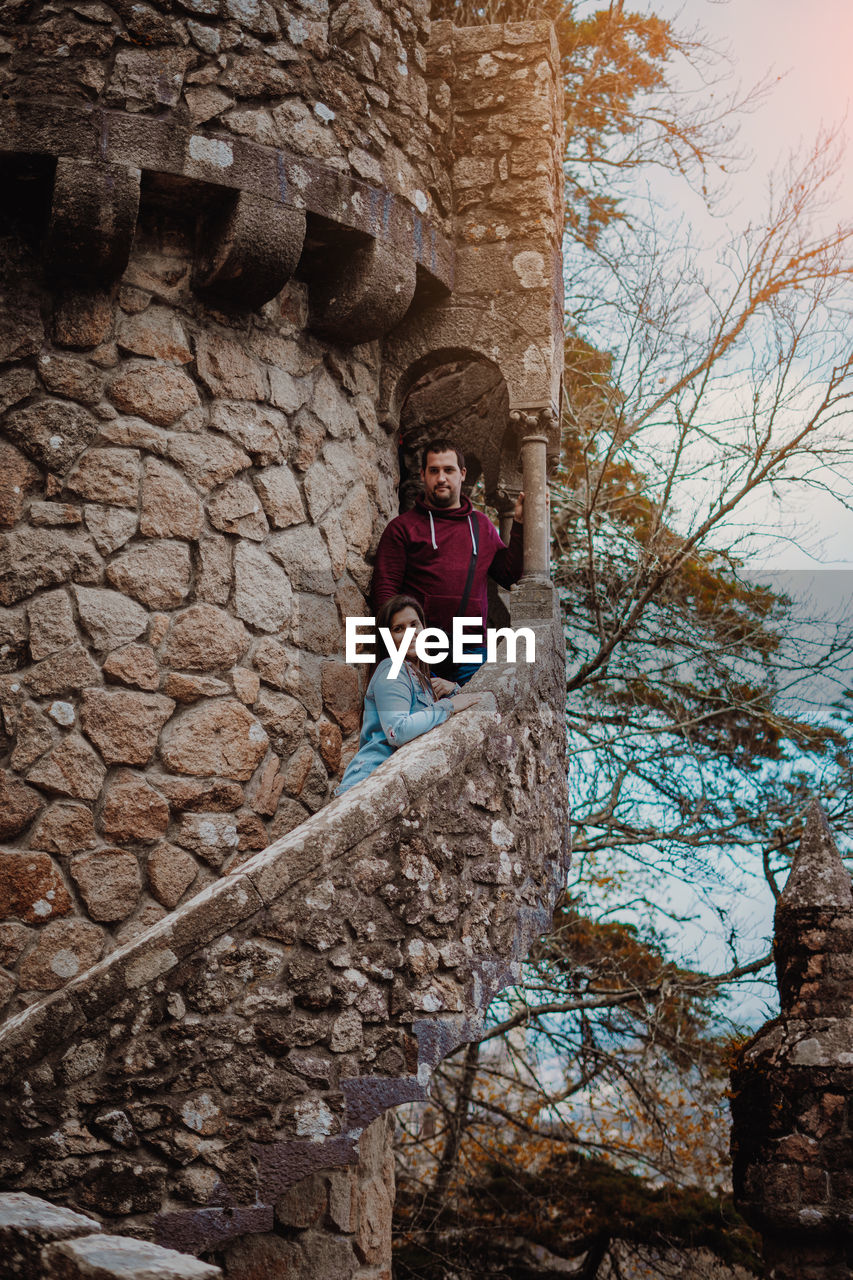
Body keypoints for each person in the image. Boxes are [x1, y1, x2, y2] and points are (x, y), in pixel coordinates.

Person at [372, 439, 524, 685]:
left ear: (462, 474)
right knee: (425, 721)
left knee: (475, 717)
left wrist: (519, 525)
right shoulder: (402, 528)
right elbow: (385, 594)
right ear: (423, 475)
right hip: (420, 652)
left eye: (449, 470)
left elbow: (511, 574)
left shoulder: (481, 526)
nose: (441, 478)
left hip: (471, 651)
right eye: (434, 470)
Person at [336, 594, 483, 795]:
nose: (410, 634)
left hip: (389, 785)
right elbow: (398, 730)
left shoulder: (419, 677)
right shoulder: (392, 670)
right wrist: (448, 706)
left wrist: (452, 690)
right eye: (399, 629)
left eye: (414, 624)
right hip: (367, 783)